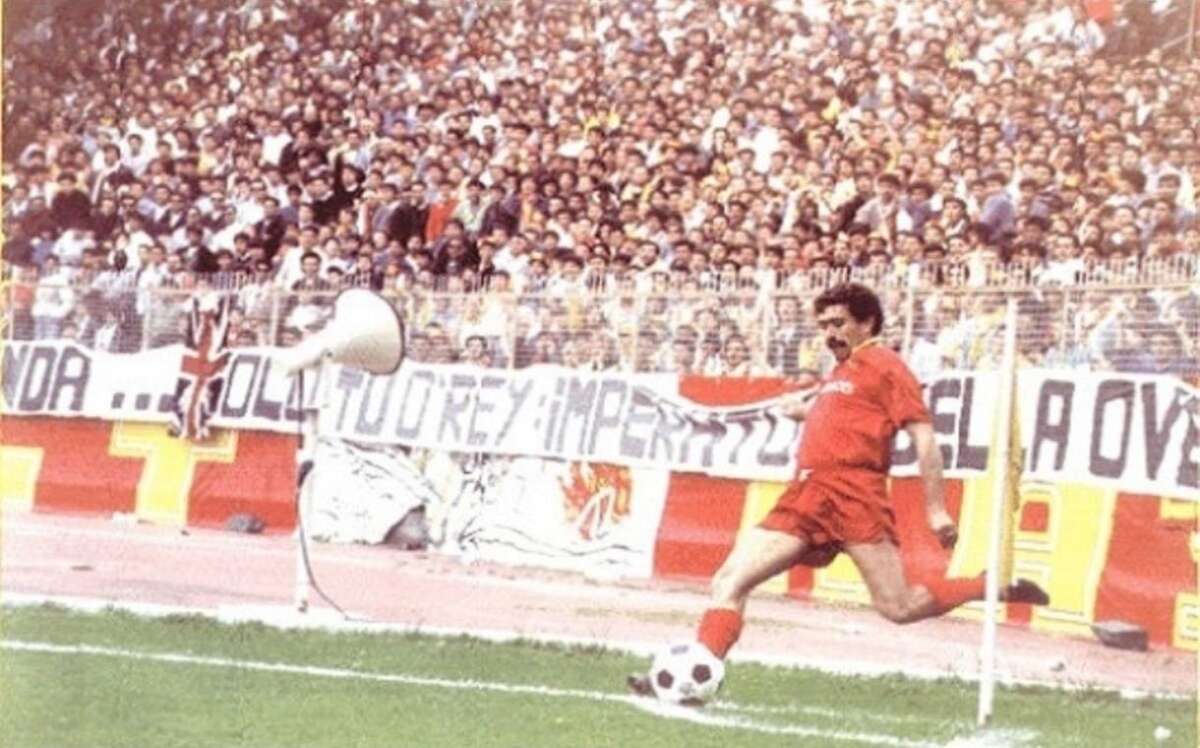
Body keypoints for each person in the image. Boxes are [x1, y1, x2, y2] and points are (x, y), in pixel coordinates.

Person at [628, 283, 1049, 698]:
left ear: (867, 323)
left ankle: (987, 586)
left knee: (898, 607)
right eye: (824, 325)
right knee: (729, 580)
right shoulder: (841, 371)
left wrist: (935, 509)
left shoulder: (887, 364)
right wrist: (803, 411)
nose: (830, 333)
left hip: (855, 497)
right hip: (807, 494)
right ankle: (691, 676)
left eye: (839, 323)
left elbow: (923, 437)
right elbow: (847, 413)